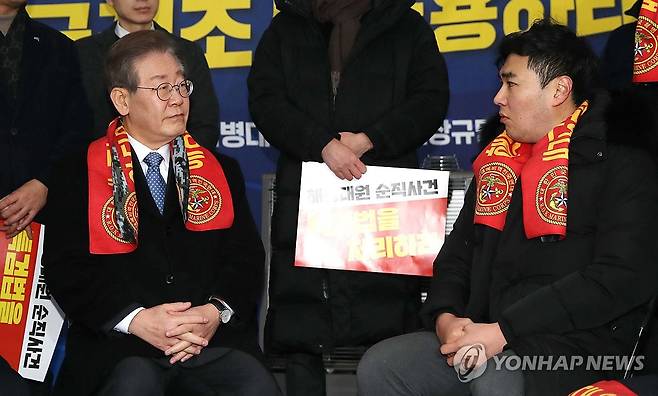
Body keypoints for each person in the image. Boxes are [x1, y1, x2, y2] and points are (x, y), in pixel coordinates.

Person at [357, 19, 658, 395]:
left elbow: (619, 277)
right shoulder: (499, 162)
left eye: (511, 83)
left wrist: (504, 331)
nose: (498, 97)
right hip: (486, 335)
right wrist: (447, 319)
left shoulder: (621, 161)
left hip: (580, 350)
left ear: (559, 90)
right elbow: (456, 259)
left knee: (493, 375)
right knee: (385, 365)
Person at [43, 30, 280, 396]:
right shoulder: (78, 172)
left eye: (182, 87)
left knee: (254, 385)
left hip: (207, 341)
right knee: (134, 384)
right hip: (121, 344)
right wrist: (136, 320)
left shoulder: (220, 169)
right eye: (161, 89)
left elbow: (245, 259)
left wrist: (213, 313)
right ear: (122, 99)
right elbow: (67, 269)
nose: (177, 100)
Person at [248, 0, 449, 394]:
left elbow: (430, 98)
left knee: (387, 324)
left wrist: (370, 139)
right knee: (303, 326)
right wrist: (321, 144)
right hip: (308, 188)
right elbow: (265, 100)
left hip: (383, 189)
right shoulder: (287, 27)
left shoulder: (406, 26)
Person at [0, 0, 89, 393]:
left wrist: (44, 183)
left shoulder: (57, 47)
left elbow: (77, 128)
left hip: (38, 223)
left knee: (29, 364)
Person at [76, 0, 219, 149]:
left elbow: (205, 124)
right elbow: (75, 125)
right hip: (102, 165)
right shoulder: (83, 53)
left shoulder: (187, 51)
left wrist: (167, 164)